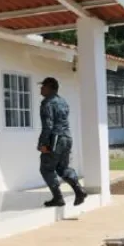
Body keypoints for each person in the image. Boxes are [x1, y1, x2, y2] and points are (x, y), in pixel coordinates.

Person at [37, 77, 88, 207]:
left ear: (50, 88)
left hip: (55, 139)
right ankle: (79, 190)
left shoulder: (47, 103)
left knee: (46, 168)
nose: (41, 88)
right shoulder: (63, 102)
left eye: (43, 86)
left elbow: (48, 126)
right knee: (63, 168)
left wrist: (43, 144)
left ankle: (58, 197)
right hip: (67, 138)